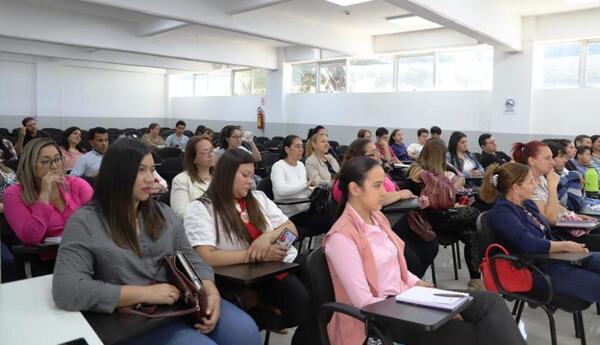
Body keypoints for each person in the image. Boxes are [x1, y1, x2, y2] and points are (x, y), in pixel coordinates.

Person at [52, 139, 260, 345]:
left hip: (181, 303)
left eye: (152, 170)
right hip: (133, 318)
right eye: (141, 170)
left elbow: (194, 260)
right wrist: (144, 293)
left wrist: (211, 292)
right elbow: (67, 289)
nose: (151, 179)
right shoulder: (85, 222)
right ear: (117, 174)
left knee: (245, 332)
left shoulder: (163, 214)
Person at [324, 156, 525, 345]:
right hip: (379, 317)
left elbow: (394, 269)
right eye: (377, 186)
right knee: (469, 333)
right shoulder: (341, 238)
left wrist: (419, 284)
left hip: (403, 297)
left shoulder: (377, 218)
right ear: (354, 189)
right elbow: (365, 302)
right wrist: (425, 305)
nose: (384, 192)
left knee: (490, 301)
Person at [184, 149, 319, 345]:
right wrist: (256, 255)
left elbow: (291, 230)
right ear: (226, 175)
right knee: (304, 306)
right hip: (247, 278)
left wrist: (268, 237)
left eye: (252, 175)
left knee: (322, 297)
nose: (251, 181)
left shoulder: (257, 198)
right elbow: (206, 257)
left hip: (282, 264)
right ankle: (262, 309)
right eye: (245, 175)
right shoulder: (202, 209)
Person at [483, 162, 600, 303]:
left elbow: (544, 232)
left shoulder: (528, 204)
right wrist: (565, 246)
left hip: (554, 258)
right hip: (536, 269)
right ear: (516, 187)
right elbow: (527, 243)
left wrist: (567, 249)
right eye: (531, 182)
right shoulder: (502, 213)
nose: (535, 185)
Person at [332, 139, 438, 278]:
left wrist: (414, 201)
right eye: (373, 153)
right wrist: (400, 194)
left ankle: (411, 283)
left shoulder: (376, 173)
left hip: (390, 218)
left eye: (377, 152)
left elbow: (386, 194)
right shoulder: (348, 181)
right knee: (411, 260)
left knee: (430, 244)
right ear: (359, 157)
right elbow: (378, 199)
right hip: (386, 220)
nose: (378, 156)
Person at [406, 139, 483, 289]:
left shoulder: (440, 171)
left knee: (471, 233)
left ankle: (475, 279)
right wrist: (455, 186)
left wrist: (454, 203)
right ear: (437, 156)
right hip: (426, 219)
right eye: (442, 155)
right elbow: (425, 201)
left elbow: (443, 200)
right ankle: (491, 256)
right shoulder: (416, 173)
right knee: (474, 213)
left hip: (442, 215)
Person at [4, 138, 93, 248]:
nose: (55, 166)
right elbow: (30, 238)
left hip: (86, 249)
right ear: (30, 164)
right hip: (47, 258)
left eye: (57, 159)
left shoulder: (78, 184)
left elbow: (96, 223)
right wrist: (44, 195)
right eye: (45, 161)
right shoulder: (13, 194)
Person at [512, 141, 600, 250]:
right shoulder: (527, 186)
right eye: (547, 158)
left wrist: (577, 217)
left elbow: (557, 206)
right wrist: (552, 187)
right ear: (532, 161)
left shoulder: (542, 179)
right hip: (557, 234)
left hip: (564, 229)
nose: (552, 162)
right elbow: (550, 218)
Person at [271, 135, 332, 240]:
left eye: (302, 147)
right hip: (290, 214)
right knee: (329, 221)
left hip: (305, 207)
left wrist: (313, 189)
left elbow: (303, 189)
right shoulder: (278, 166)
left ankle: (323, 249)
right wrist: (305, 185)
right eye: (297, 147)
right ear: (287, 149)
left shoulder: (300, 165)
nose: (301, 150)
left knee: (333, 214)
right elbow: (281, 191)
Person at [170, 136, 214, 219]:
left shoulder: (221, 177)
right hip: (198, 227)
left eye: (212, 150)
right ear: (194, 159)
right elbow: (180, 213)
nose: (211, 154)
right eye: (205, 151)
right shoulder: (181, 180)